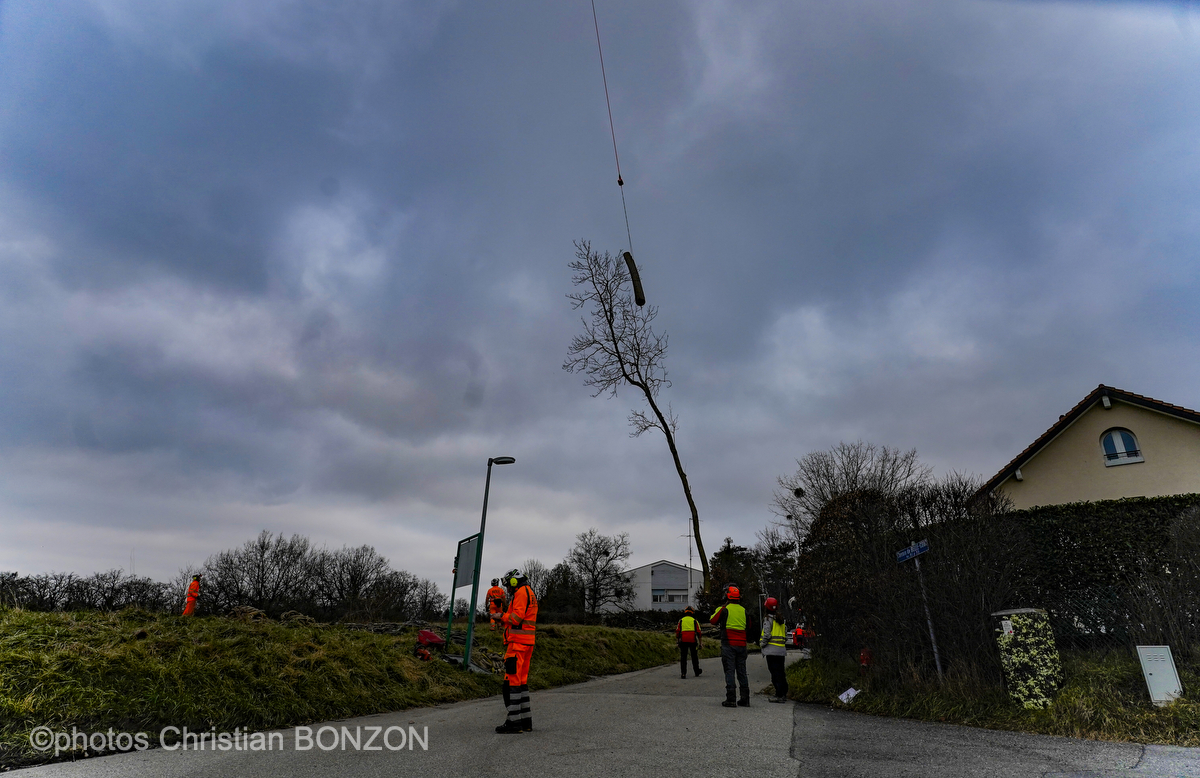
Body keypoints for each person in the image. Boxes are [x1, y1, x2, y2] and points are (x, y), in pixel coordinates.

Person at [490, 568, 538, 733]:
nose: (507, 589)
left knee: (511, 682)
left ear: (513, 581)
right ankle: (526, 721)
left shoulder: (521, 594)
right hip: (527, 643)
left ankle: (513, 723)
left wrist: (501, 616)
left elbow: (516, 618)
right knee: (522, 682)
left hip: (517, 644)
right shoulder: (529, 592)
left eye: (508, 585)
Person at [710, 583, 752, 708]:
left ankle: (731, 699)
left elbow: (713, 620)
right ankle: (745, 699)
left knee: (729, 671)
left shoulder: (724, 609)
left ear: (726, 596)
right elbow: (749, 626)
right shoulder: (744, 610)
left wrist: (723, 607)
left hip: (728, 644)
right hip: (742, 645)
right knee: (742, 671)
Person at [761, 597, 789, 702]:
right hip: (781, 650)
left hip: (771, 651)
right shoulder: (781, 619)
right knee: (781, 672)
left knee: (775, 673)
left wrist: (762, 644)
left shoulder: (768, 619)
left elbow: (767, 634)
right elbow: (785, 636)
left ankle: (779, 695)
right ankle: (783, 693)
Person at [676, 606, 704, 679]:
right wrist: (701, 643)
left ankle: (683, 673)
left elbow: (678, 632)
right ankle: (696, 671)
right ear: (692, 613)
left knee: (683, 657)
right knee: (694, 657)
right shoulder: (694, 621)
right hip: (692, 640)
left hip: (683, 640)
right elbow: (699, 633)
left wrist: (678, 642)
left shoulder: (681, 620)